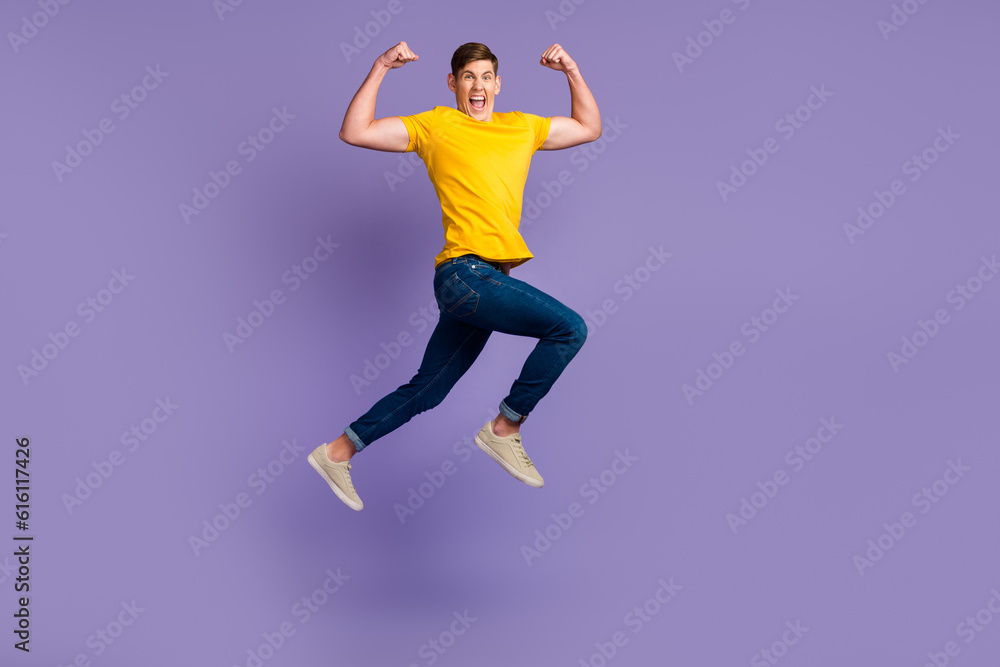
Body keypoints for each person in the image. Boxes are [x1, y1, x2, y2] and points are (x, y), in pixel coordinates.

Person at [308, 40, 602, 511]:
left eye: (486, 77)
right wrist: (381, 66)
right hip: (465, 275)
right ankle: (505, 428)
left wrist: (571, 68)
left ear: (498, 84)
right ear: (453, 83)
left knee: (429, 389)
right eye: (468, 77)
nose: (478, 86)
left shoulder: (522, 127)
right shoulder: (438, 124)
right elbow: (355, 131)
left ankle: (336, 453)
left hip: (482, 282)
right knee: (569, 329)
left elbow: (589, 126)